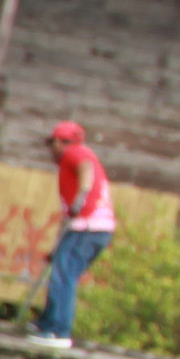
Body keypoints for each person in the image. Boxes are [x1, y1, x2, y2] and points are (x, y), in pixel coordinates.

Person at [38, 117, 116, 344]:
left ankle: (58, 330)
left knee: (64, 276)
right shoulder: (70, 163)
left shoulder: (75, 153)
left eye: (52, 143)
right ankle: (47, 322)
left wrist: (82, 195)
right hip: (91, 229)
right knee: (62, 272)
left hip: (88, 227)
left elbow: (86, 170)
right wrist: (56, 247)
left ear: (61, 142)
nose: (50, 149)